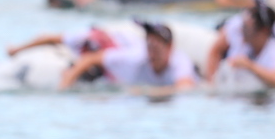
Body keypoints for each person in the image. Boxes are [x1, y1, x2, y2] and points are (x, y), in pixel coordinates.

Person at [59, 21, 197, 93]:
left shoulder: (179, 61)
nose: (152, 54)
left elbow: (185, 88)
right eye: (149, 47)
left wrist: (146, 91)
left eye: (156, 48)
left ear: (169, 47)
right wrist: (64, 85)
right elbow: (90, 59)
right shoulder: (138, 56)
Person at [206, 0, 275, 88]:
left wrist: (249, 66)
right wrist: (212, 84)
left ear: (263, 31)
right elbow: (215, 51)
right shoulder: (238, 32)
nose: (241, 30)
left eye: (246, 28)